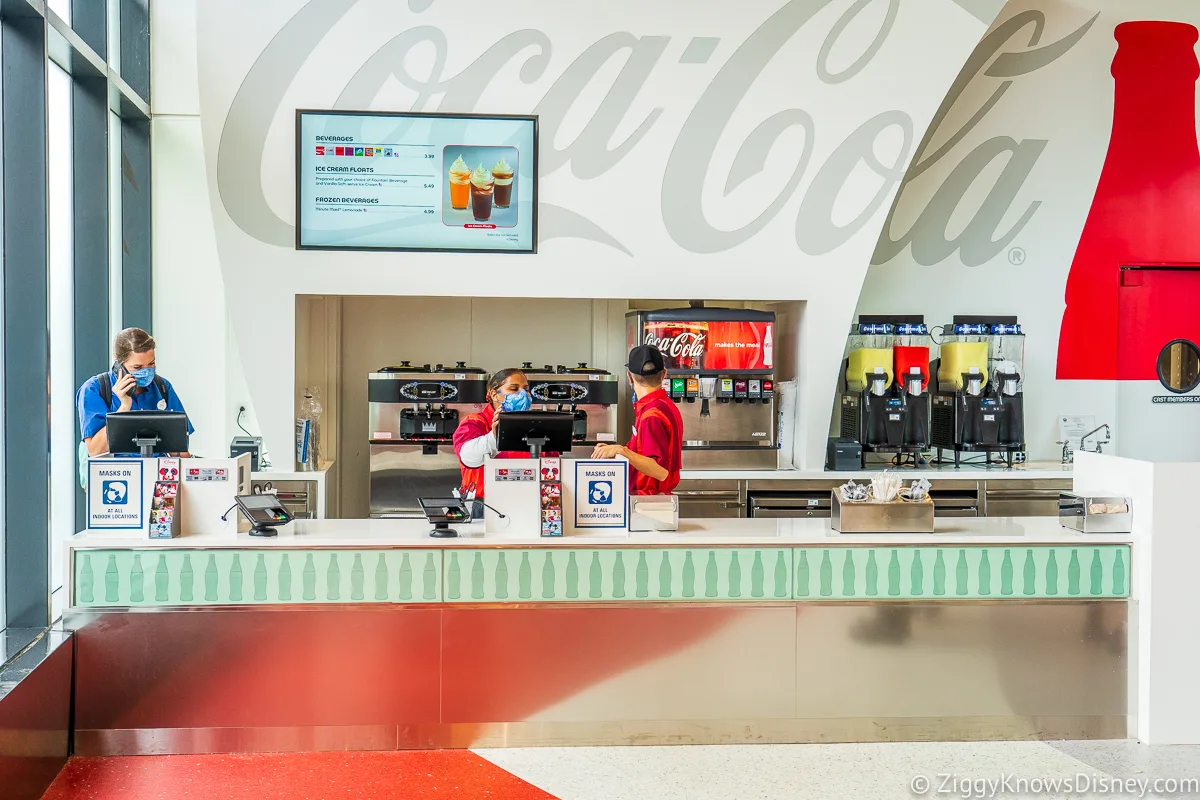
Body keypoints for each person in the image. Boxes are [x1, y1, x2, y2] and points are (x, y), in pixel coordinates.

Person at [77, 327, 194, 458]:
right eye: (137, 367)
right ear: (119, 366)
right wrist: (124, 408)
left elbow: (179, 448)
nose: (146, 371)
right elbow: (95, 450)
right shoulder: (94, 389)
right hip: (117, 475)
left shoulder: (162, 387)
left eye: (151, 364)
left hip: (157, 473)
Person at [592, 344, 683, 495]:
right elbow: (643, 452)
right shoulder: (664, 406)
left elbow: (660, 471)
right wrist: (614, 451)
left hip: (649, 502)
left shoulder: (651, 416)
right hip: (652, 499)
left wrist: (622, 450)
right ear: (664, 374)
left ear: (629, 377)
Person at [453, 367, 533, 499]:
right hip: (484, 506)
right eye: (514, 389)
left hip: (526, 503)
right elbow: (468, 457)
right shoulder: (475, 422)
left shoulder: (535, 426)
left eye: (526, 389)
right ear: (494, 395)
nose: (523, 394)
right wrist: (495, 437)